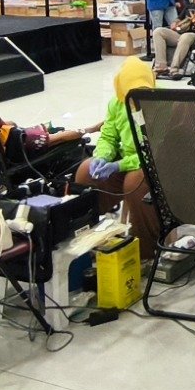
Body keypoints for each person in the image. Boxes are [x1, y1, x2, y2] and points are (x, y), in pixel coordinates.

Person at [72, 58, 160, 260]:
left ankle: (146, 251)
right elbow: (108, 136)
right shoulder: (117, 103)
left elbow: (155, 152)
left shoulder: (163, 104)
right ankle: (92, 238)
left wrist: (119, 165)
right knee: (86, 172)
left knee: (135, 181)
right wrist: (102, 156)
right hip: (126, 161)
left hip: (156, 165)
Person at [0, 75, 85, 162]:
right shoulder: (11, 137)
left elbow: (1, 122)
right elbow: (61, 138)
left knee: (14, 124)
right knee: (59, 136)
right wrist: (89, 130)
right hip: (16, 147)